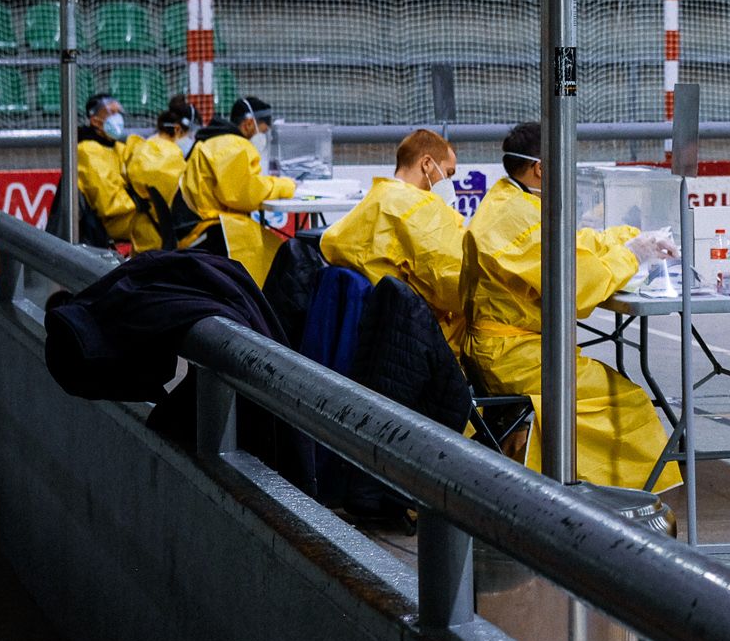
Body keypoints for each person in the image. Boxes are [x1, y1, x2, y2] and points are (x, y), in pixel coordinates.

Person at [463, 122, 679, 492]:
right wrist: (630, 257)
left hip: (513, 345)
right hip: (514, 354)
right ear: (541, 168)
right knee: (626, 402)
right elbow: (575, 285)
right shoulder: (516, 219)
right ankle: (613, 498)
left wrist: (630, 239)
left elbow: (573, 245)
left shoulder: (512, 201)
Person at [321, 128, 469, 349]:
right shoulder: (419, 208)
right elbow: (456, 288)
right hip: (414, 340)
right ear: (427, 164)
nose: (449, 183)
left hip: (376, 334)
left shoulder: (377, 197)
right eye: (448, 173)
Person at [178, 95, 298, 285]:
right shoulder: (234, 145)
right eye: (263, 130)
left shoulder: (215, 141)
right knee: (281, 255)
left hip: (203, 224)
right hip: (214, 228)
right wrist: (285, 186)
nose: (263, 137)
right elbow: (243, 193)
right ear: (250, 124)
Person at [122, 95, 196, 253]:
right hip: (164, 238)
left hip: (141, 232)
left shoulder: (139, 147)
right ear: (177, 129)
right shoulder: (172, 155)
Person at [73, 93, 138, 249]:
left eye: (118, 113)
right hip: (114, 222)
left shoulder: (119, 148)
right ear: (95, 121)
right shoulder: (86, 150)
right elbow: (108, 203)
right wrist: (142, 203)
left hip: (132, 216)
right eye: (112, 113)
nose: (118, 118)